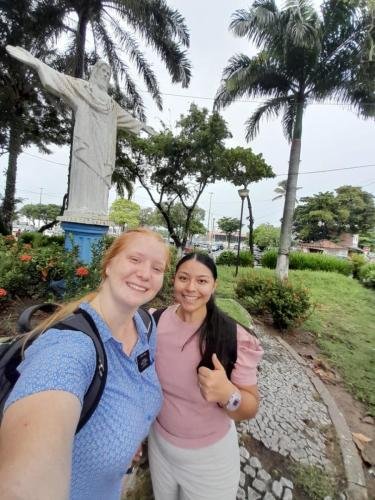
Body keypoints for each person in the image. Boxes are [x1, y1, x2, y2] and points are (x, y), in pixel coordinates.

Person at [0, 228, 169, 500]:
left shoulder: (146, 327)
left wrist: (128, 440)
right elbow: (26, 482)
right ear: (109, 264)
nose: (145, 273)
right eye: (135, 260)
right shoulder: (69, 347)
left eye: (157, 267)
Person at [148, 252, 264, 500]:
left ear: (214, 285)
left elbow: (250, 408)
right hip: (160, 447)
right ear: (174, 280)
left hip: (210, 460)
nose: (191, 288)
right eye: (183, 278)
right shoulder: (154, 322)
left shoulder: (233, 336)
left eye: (201, 281)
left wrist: (228, 395)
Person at [6, 45, 154, 220]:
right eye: (103, 71)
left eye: (108, 74)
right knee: (84, 174)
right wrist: (37, 64)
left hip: (103, 149)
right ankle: (80, 207)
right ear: (95, 72)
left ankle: (97, 208)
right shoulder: (81, 88)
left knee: (100, 179)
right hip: (85, 143)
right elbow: (59, 80)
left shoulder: (111, 104)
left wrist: (142, 126)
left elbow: (127, 118)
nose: (106, 75)